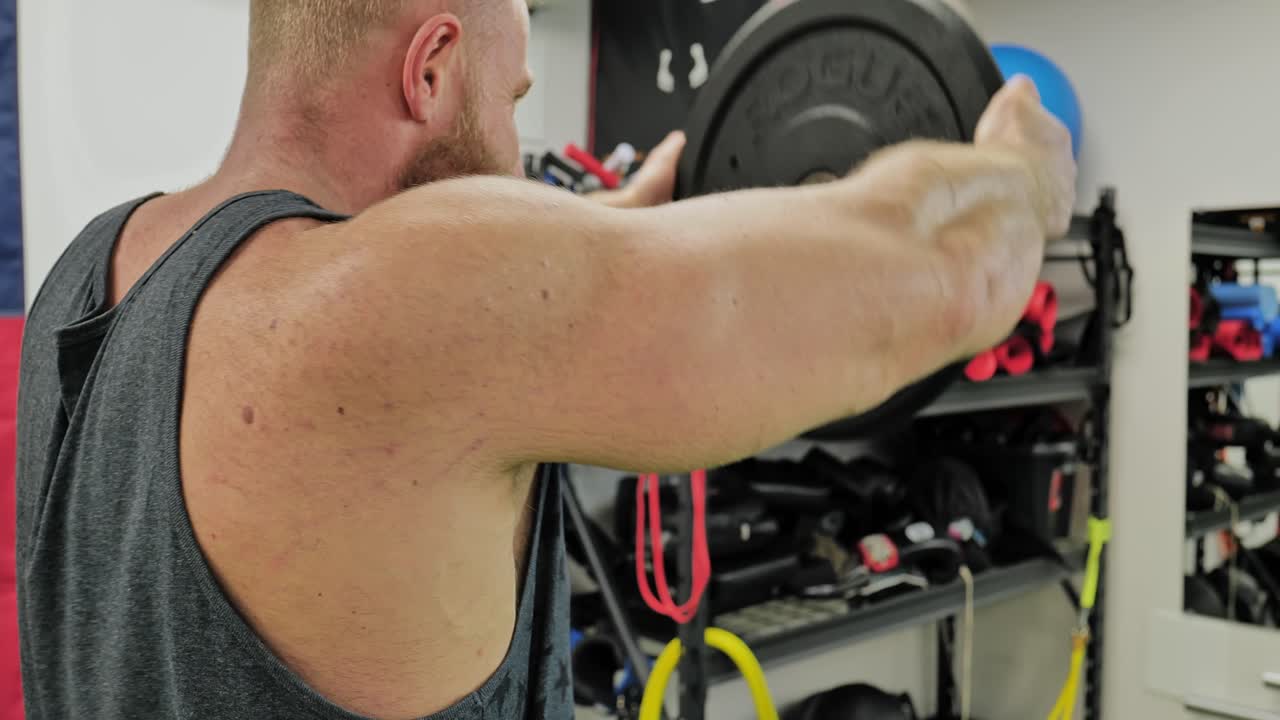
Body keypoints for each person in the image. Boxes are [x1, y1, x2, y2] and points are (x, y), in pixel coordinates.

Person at [14, 1, 1075, 719]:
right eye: (512, 101)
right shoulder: (396, 315)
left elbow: (445, 310)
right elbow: (951, 271)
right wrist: (1023, 170)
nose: (519, 153)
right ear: (429, 67)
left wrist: (618, 230)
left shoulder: (93, 266)